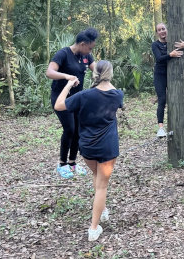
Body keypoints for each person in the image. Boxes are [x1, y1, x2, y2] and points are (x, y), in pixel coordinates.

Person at [54, 60, 124, 242]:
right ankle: (94, 228)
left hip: (87, 147)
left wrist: (68, 84)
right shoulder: (117, 95)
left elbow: (58, 105)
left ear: (94, 74)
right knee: (102, 185)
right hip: (108, 147)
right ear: (111, 74)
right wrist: (107, 81)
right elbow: (115, 93)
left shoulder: (84, 96)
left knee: (97, 176)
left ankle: (103, 209)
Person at [46, 28, 98, 179]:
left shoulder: (86, 55)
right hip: (61, 99)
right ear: (82, 44)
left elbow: (96, 69)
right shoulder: (63, 54)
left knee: (78, 130)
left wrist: (99, 77)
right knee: (69, 129)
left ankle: (72, 163)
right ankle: (62, 164)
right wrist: (67, 76)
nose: (90, 50)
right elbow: (49, 72)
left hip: (77, 99)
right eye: (89, 47)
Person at [151, 22, 184, 137]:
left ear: (167, 29)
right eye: (159, 30)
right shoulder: (155, 45)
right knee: (162, 99)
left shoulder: (173, 42)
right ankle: (161, 128)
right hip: (160, 75)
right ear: (157, 33)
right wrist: (170, 55)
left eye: (163, 29)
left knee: (178, 98)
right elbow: (159, 59)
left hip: (173, 75)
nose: (162, 31)